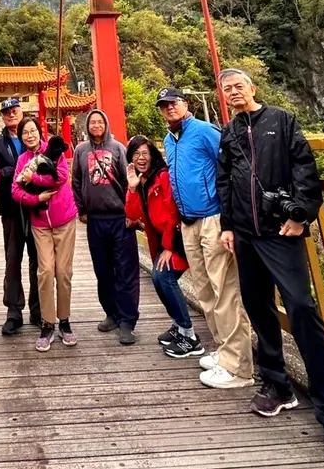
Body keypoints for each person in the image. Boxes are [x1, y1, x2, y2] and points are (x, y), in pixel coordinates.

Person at [216, 68, 324, 469]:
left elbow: (304, 170)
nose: (234, 93)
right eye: (227, 89)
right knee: (257, 305)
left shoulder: (282, 120)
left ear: (252, 88)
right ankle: (277, 384)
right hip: (244, 233)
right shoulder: (228, 133)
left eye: (238, 86)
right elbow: (224, 180)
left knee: (300, 308)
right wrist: (228, 225)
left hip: (281, 232)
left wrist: (302, 216)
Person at [157, 86, 254, 384]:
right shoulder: (169, 140)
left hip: (213, 217)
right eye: (164, 105)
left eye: (174, 103)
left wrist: (231, 218)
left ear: (186, 104)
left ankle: (239, 367)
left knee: (224, 289)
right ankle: (224, 350)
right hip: (188, 223)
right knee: (205, 291)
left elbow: (231, 165)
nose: (169, 108)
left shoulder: (204, 131)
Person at [124, 136, 201, 356]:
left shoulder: (163, 177)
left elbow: (172, 213)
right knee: (159, 280)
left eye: (145, 153)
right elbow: (131, 215)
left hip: (176, 239)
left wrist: (169, 247)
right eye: (136, 154)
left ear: (153, 155)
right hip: (160, 240)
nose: (141, 158)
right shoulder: (141, 181)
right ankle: (178, 325)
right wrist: (131, 189)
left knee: (164, 277)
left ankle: (189, 335)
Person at [72, 108, 139, 345]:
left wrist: (130, 212)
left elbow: (127, 180)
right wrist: (81, 209)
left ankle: (127, 320)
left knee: (125, 270)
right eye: (93, 122)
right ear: (88, 126)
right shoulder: (81, 150)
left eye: (101, 121)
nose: (97, 125)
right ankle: (111, 313)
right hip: (95, 220)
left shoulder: (118, 148)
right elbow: (77, 181)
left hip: (119, 218)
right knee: (102, 270)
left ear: (106, 124)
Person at [12, 123, 79, 351]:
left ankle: (65, 321)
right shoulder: (22, 160)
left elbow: (61, 177)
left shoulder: (54, 150)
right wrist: (37, 198)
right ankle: (48, 322)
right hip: (40, 223)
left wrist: (35, 178)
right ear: (20, 136)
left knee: (63, 272)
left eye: (32, 131)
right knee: (46, 271)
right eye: (25, 133)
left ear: (39, 132)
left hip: (64, 219)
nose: (29, 135)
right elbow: (16, 190)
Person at [0, 96, 41, 335]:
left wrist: (12, 172)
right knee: (13, 259)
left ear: (22, 112)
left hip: (37, 208)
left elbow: (47, 167)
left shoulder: (35, 139)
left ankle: (38, 309)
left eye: (14, 110)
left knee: (38, 259)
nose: (11, 114)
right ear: (2, 116)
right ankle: (13, 311)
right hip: (11, 208)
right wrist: (19, 171)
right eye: (6, 112)